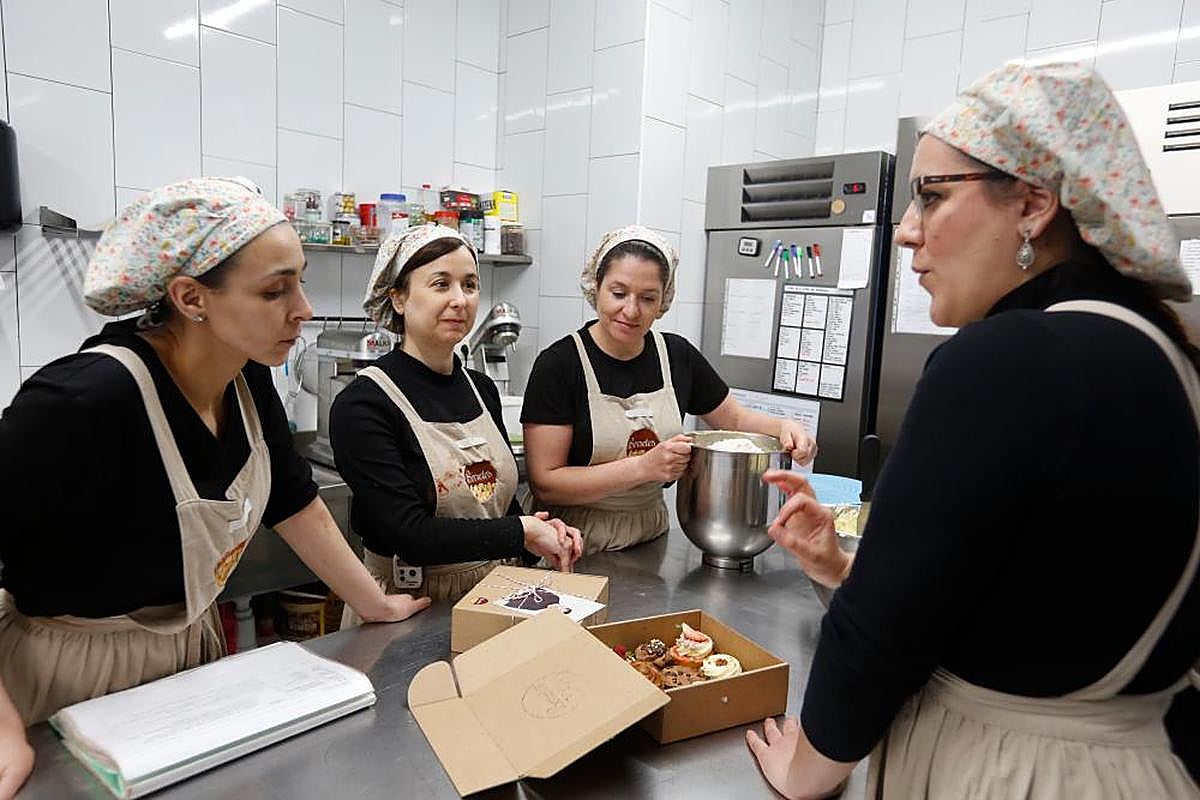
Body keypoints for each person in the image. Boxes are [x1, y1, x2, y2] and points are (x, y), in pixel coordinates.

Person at [745, 62, 1200, 799]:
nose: (905, 233)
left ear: (1033, 203)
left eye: (931, 196)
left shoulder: (1004, 357)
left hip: (1013, 773)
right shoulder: (1169, 359)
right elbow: (1046, 610)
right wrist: (841, 570)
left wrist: (805, 771)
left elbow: (882, 637)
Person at [0, 178, 430, 796]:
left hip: (187, 656)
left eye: (300, 281)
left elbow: (292, 498)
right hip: (66, 672)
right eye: (275, 290)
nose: (303, 308)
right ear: (190, 296)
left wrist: (374, 604)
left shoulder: (246, 378)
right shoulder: (85, 399)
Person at [332, 225, 582, 618]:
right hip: (409, 602)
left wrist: (539, 533)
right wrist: (521, 533)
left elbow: (496, 505)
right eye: (440, 284)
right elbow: (408, 533)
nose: (459, 300)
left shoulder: (482, 389)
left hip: (497, 592)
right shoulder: (364, 403)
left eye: (469, 285)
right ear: (398, 297)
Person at [522, 225, 818, 554]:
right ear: (596, 288)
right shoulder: (560, 365)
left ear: (664, 300)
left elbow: (733, 418)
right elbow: (546, 484)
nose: (631, 311)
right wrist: (643, 468)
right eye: (618, 293)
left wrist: (784, 428)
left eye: (648, 298)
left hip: (652, 534)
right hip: (571, 540)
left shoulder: (677, 356)